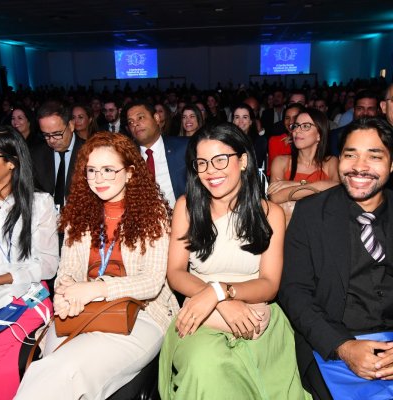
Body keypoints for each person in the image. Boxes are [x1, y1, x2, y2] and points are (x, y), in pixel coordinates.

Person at [16, 132, 179, 399]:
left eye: (108, 170)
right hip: (82, 308)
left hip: (142, 313)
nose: (98, 178)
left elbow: (151, 281)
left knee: (65, 370)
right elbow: (66, 270)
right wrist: (65, 293)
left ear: (129, 173)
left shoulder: (154, 215)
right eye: (91, 170)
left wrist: (95, 290)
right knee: (47, 368)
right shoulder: (79, 213)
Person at [159, 123, 310, 399]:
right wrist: (220, 301)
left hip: (254, 311)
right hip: (201, 312)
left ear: (242, 160)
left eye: (220, 159)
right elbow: (176, 273)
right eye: (202, 163)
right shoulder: (187, 207)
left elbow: (269, 284)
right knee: (204, 367)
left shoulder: (271, 213)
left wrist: (221, 292)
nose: (210, 171)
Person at [279, 117, 393, 400]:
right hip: (334, 344)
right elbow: (294, 292)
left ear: (392, 164)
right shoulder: (311, 214)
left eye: (374, 156)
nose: (359, 166)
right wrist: (343, 346)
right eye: (350, 154)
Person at [0, 126, 58, 400]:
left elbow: (48, 265)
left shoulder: (39, 203)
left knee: (2, 370)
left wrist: (2, 278)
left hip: (24, 295)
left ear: (11, 163)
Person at [268, 108, 339, 207]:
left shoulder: (331, 162)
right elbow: (275, 197)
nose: (297, 130)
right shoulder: (281, 162)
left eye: (305, 126)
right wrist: (315, 187)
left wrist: (294, 184)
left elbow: (337, 189)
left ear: (319, 135)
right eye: (296, 126)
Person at [126, 101, 188, 208]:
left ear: (156, 118)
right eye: (131, 122)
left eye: (140, 118)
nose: (135, 124)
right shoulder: (127, 158)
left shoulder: (183, 148)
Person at [31, 101, 85, 209]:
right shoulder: (36, 154)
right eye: (46, 135)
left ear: (71, 125)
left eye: (56, 134)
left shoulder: (89, 151)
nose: (51, 140)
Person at [267, 103, 306, 176]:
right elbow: (272, 171)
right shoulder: (275, 141)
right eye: (287, 118)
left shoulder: (310, 140)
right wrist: (286, 147)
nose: (291, 122)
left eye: (295, 118)